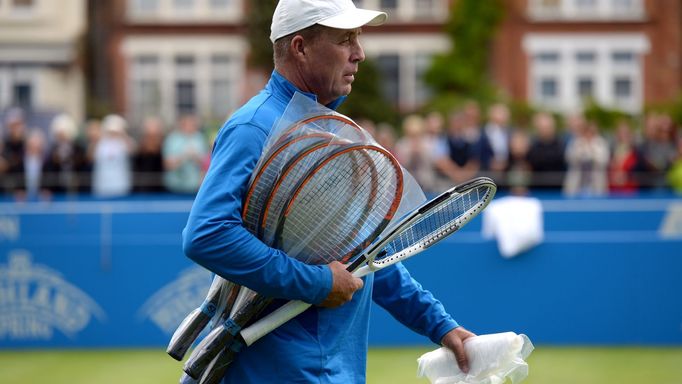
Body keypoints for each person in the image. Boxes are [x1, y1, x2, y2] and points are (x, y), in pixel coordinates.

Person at [181, 1, 473, 383]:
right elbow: (207, 234)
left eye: (358, 39)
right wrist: (318, 283)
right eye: (345, 39)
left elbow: (362, 257)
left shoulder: (332, 128)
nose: (360, 53)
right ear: (300, 48)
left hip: (331, 370)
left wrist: (441, 326)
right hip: (274, 372)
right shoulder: (253, 127)